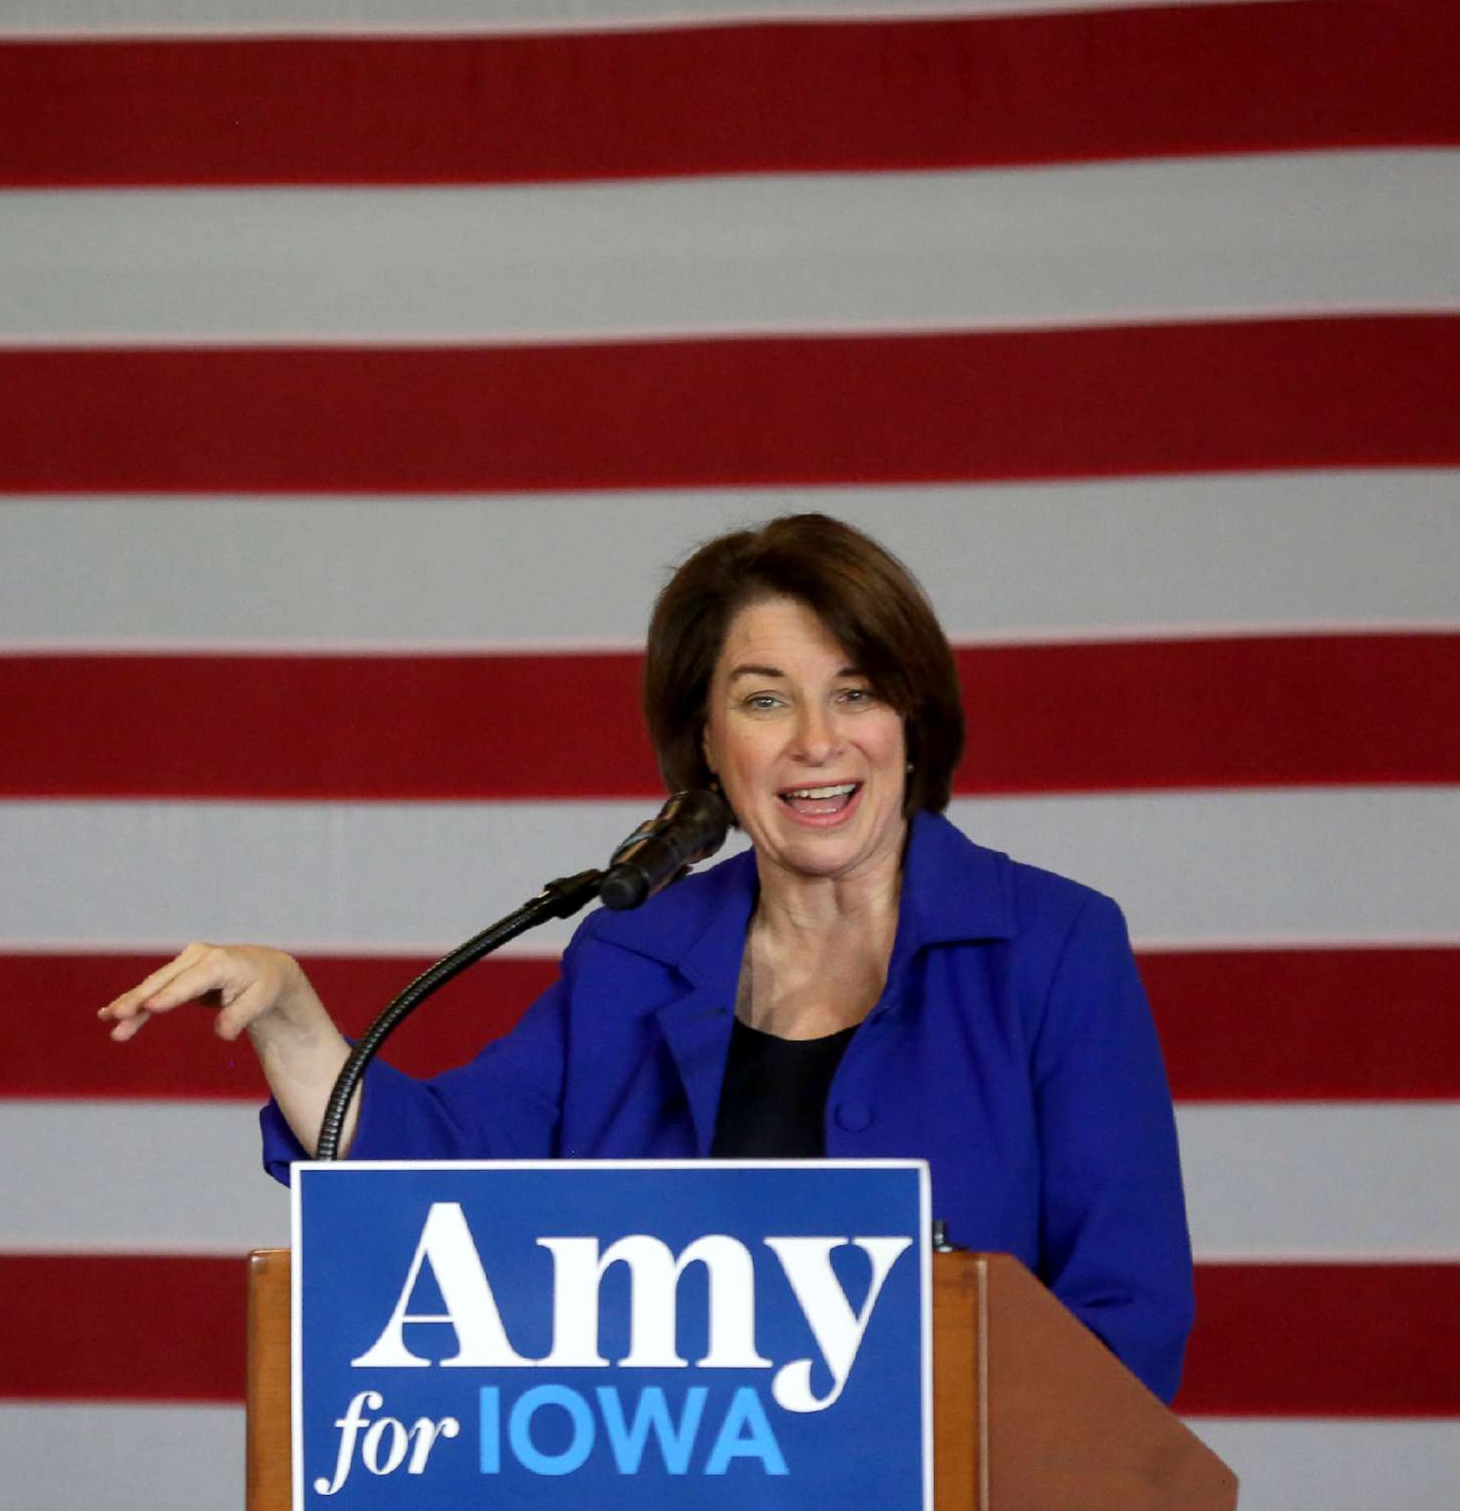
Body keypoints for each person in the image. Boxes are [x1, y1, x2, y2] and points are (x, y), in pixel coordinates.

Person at [96, 513, 1194, 1403]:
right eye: (766, 698)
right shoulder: (636, 952)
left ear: (910, 713)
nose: (819, 737)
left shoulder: (1051, 947)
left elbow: (1126, 1314)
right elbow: (440, 1175)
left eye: (855, 689)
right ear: (709, 744)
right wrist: (293, 1020)